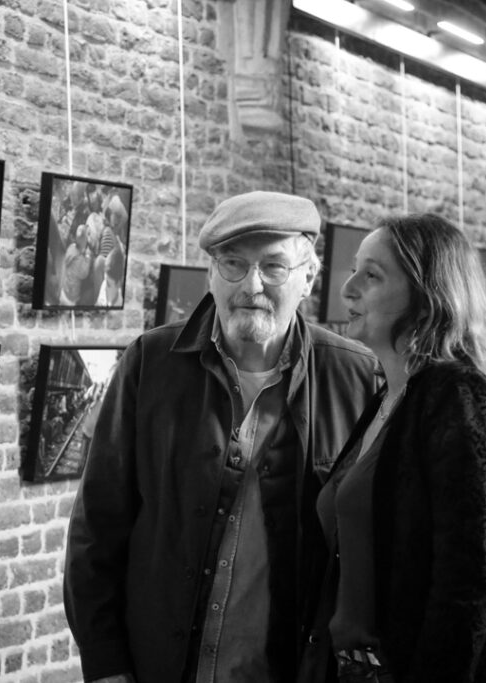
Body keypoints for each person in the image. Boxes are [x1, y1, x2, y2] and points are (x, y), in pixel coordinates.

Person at [64, 191, 377, 683]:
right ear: (211, 273)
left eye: (273, 267)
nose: (251, 285)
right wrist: (105, 664)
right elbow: (97, 527)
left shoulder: (355, 378)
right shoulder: (151, 363)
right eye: (233, 264)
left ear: (308, 278)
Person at [300, 214, 486, 683]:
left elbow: (465, 579)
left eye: (372, 275)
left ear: (427, 299)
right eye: (354, 270)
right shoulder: (390, 397)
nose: (347, 289)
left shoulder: (456, 393)